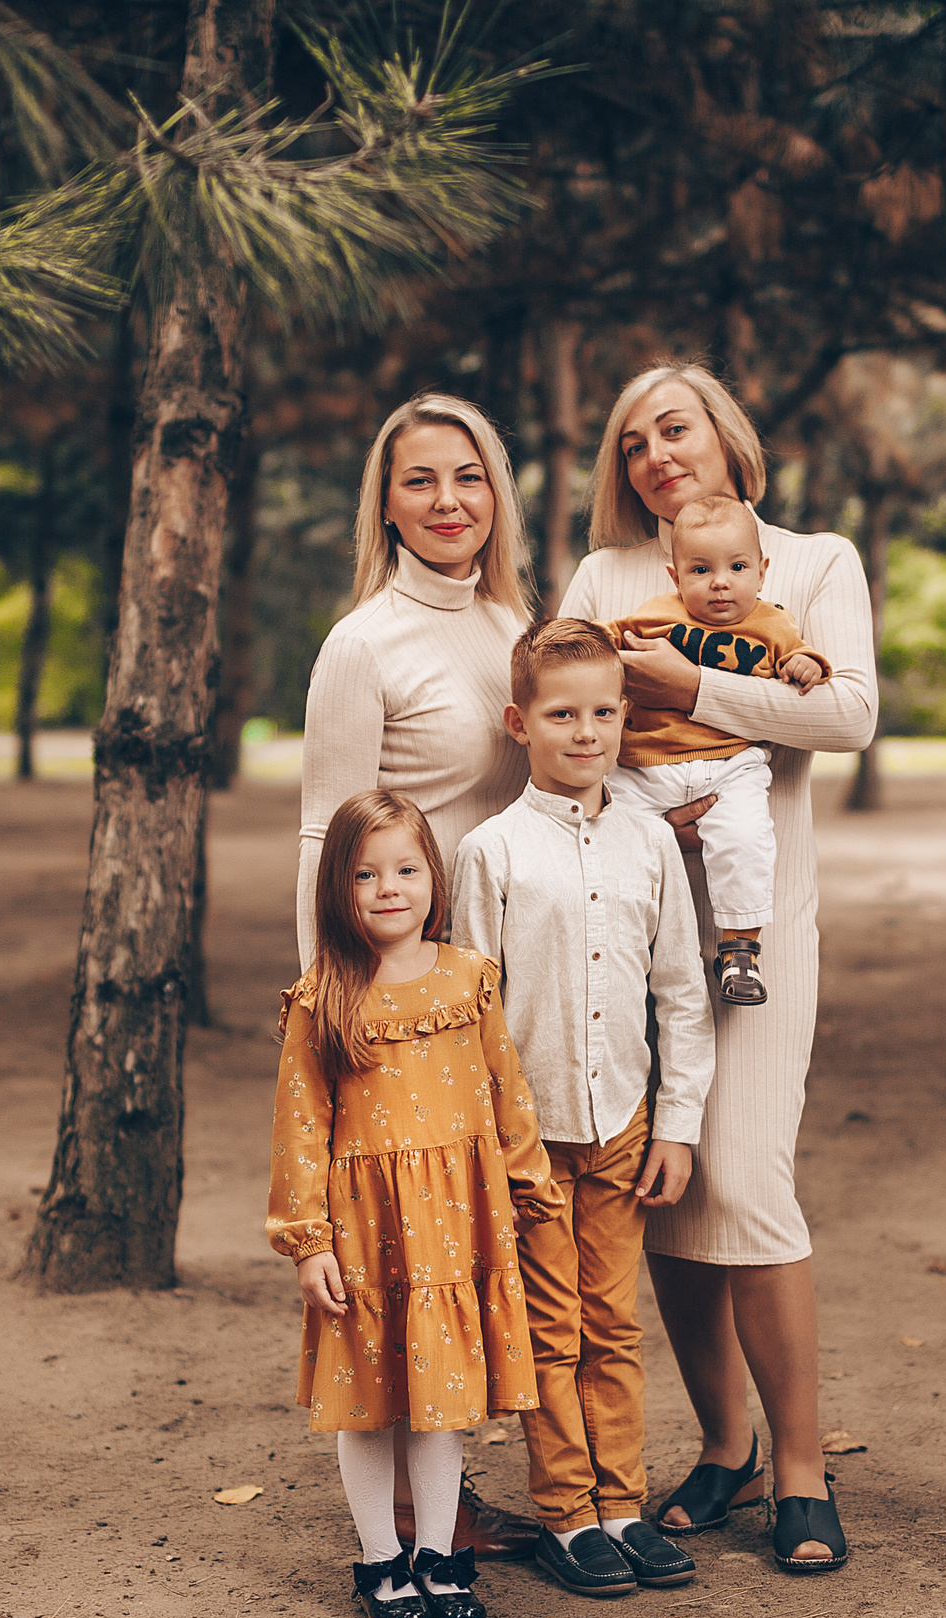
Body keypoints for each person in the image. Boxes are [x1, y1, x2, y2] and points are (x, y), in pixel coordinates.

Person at [558, 361, 877, 1573]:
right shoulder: (605, 579)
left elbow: (848, 714)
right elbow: (569, 719)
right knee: (666, 1197)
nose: (654, 453)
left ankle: (805, 1470)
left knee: (743, 1183)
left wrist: (693, 686)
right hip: (632, 930)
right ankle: (725, 1445)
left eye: (673, 427)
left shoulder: (811, 563)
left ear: (728, 436)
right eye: (631, 440)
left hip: (754, 928)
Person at [295, 392, 544, 1559]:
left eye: (469, 478)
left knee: (475, 1240)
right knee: (400, 1248)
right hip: (396, 1007)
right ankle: (401, 1523)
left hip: (502, 979)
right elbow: (322, 835)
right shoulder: (364, 643)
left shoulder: (514, 621)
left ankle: (460, 1493)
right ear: (383, 504)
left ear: (496, 491)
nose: (448, 503)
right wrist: (328, 1015)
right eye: (419, 482)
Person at [449, 619, 716, 1598]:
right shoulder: (490, 852)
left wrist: (677, 1125)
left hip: (625, 1130)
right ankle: (567, 1514)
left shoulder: (649, 841)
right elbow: (472, 1010)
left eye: (605, 712)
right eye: (563, 714)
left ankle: (623, 1505)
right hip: (531, 1137)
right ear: (521, 723)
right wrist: (489, 1141)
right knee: (551, 1328)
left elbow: (681, 987)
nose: (587, 731)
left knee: (614, 1322)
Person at [267, 789, 562, 1618]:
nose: (388, 887)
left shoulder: (468, 978)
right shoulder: (323, 997)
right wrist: (308, 1241)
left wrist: (529, 1187)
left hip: (455, 1225)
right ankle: (379, 1558)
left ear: (433, 874)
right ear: (338, 888)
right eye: (365, 873)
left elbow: (506, 1092)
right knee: (369, 1399)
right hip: (363, 1231)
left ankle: (439, 1553)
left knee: (442, 1399)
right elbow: (299, 1130)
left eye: (405, 868)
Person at [604, 493, 831, 1005]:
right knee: (614, 833)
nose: (720, 581)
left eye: (737, 566)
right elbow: (602, 640)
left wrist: (807, 666)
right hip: (647, 762)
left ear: (762, 570)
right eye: (701, 569)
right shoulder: (655, 615)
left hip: (731, 765)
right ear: (675, 576)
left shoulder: (774, 624)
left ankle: (740, 949)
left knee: (746, 837)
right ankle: (619, 938)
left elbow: (800, 657)